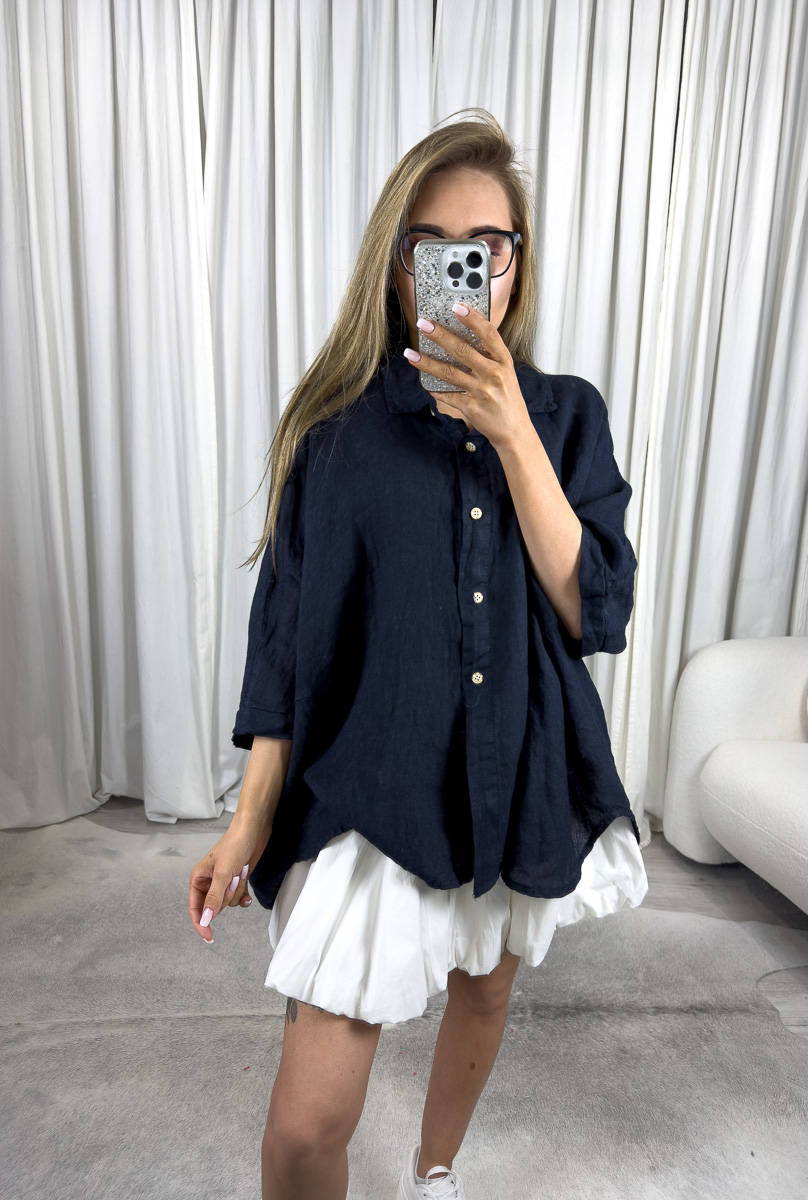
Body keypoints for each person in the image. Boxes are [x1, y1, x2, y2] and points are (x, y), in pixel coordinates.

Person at [188, 108, 648, 1200]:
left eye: (488, 246)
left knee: (485, 987)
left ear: (516, 264)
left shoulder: (565, 418)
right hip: (374, 784)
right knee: (306, 1125)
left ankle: (435, 1171)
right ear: (398, 267)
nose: (463, 269)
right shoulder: (336, 432)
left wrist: (511, 431)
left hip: (515, 770)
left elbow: (596, 610)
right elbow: (286, 640)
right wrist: (250, 817)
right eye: (433, 246)